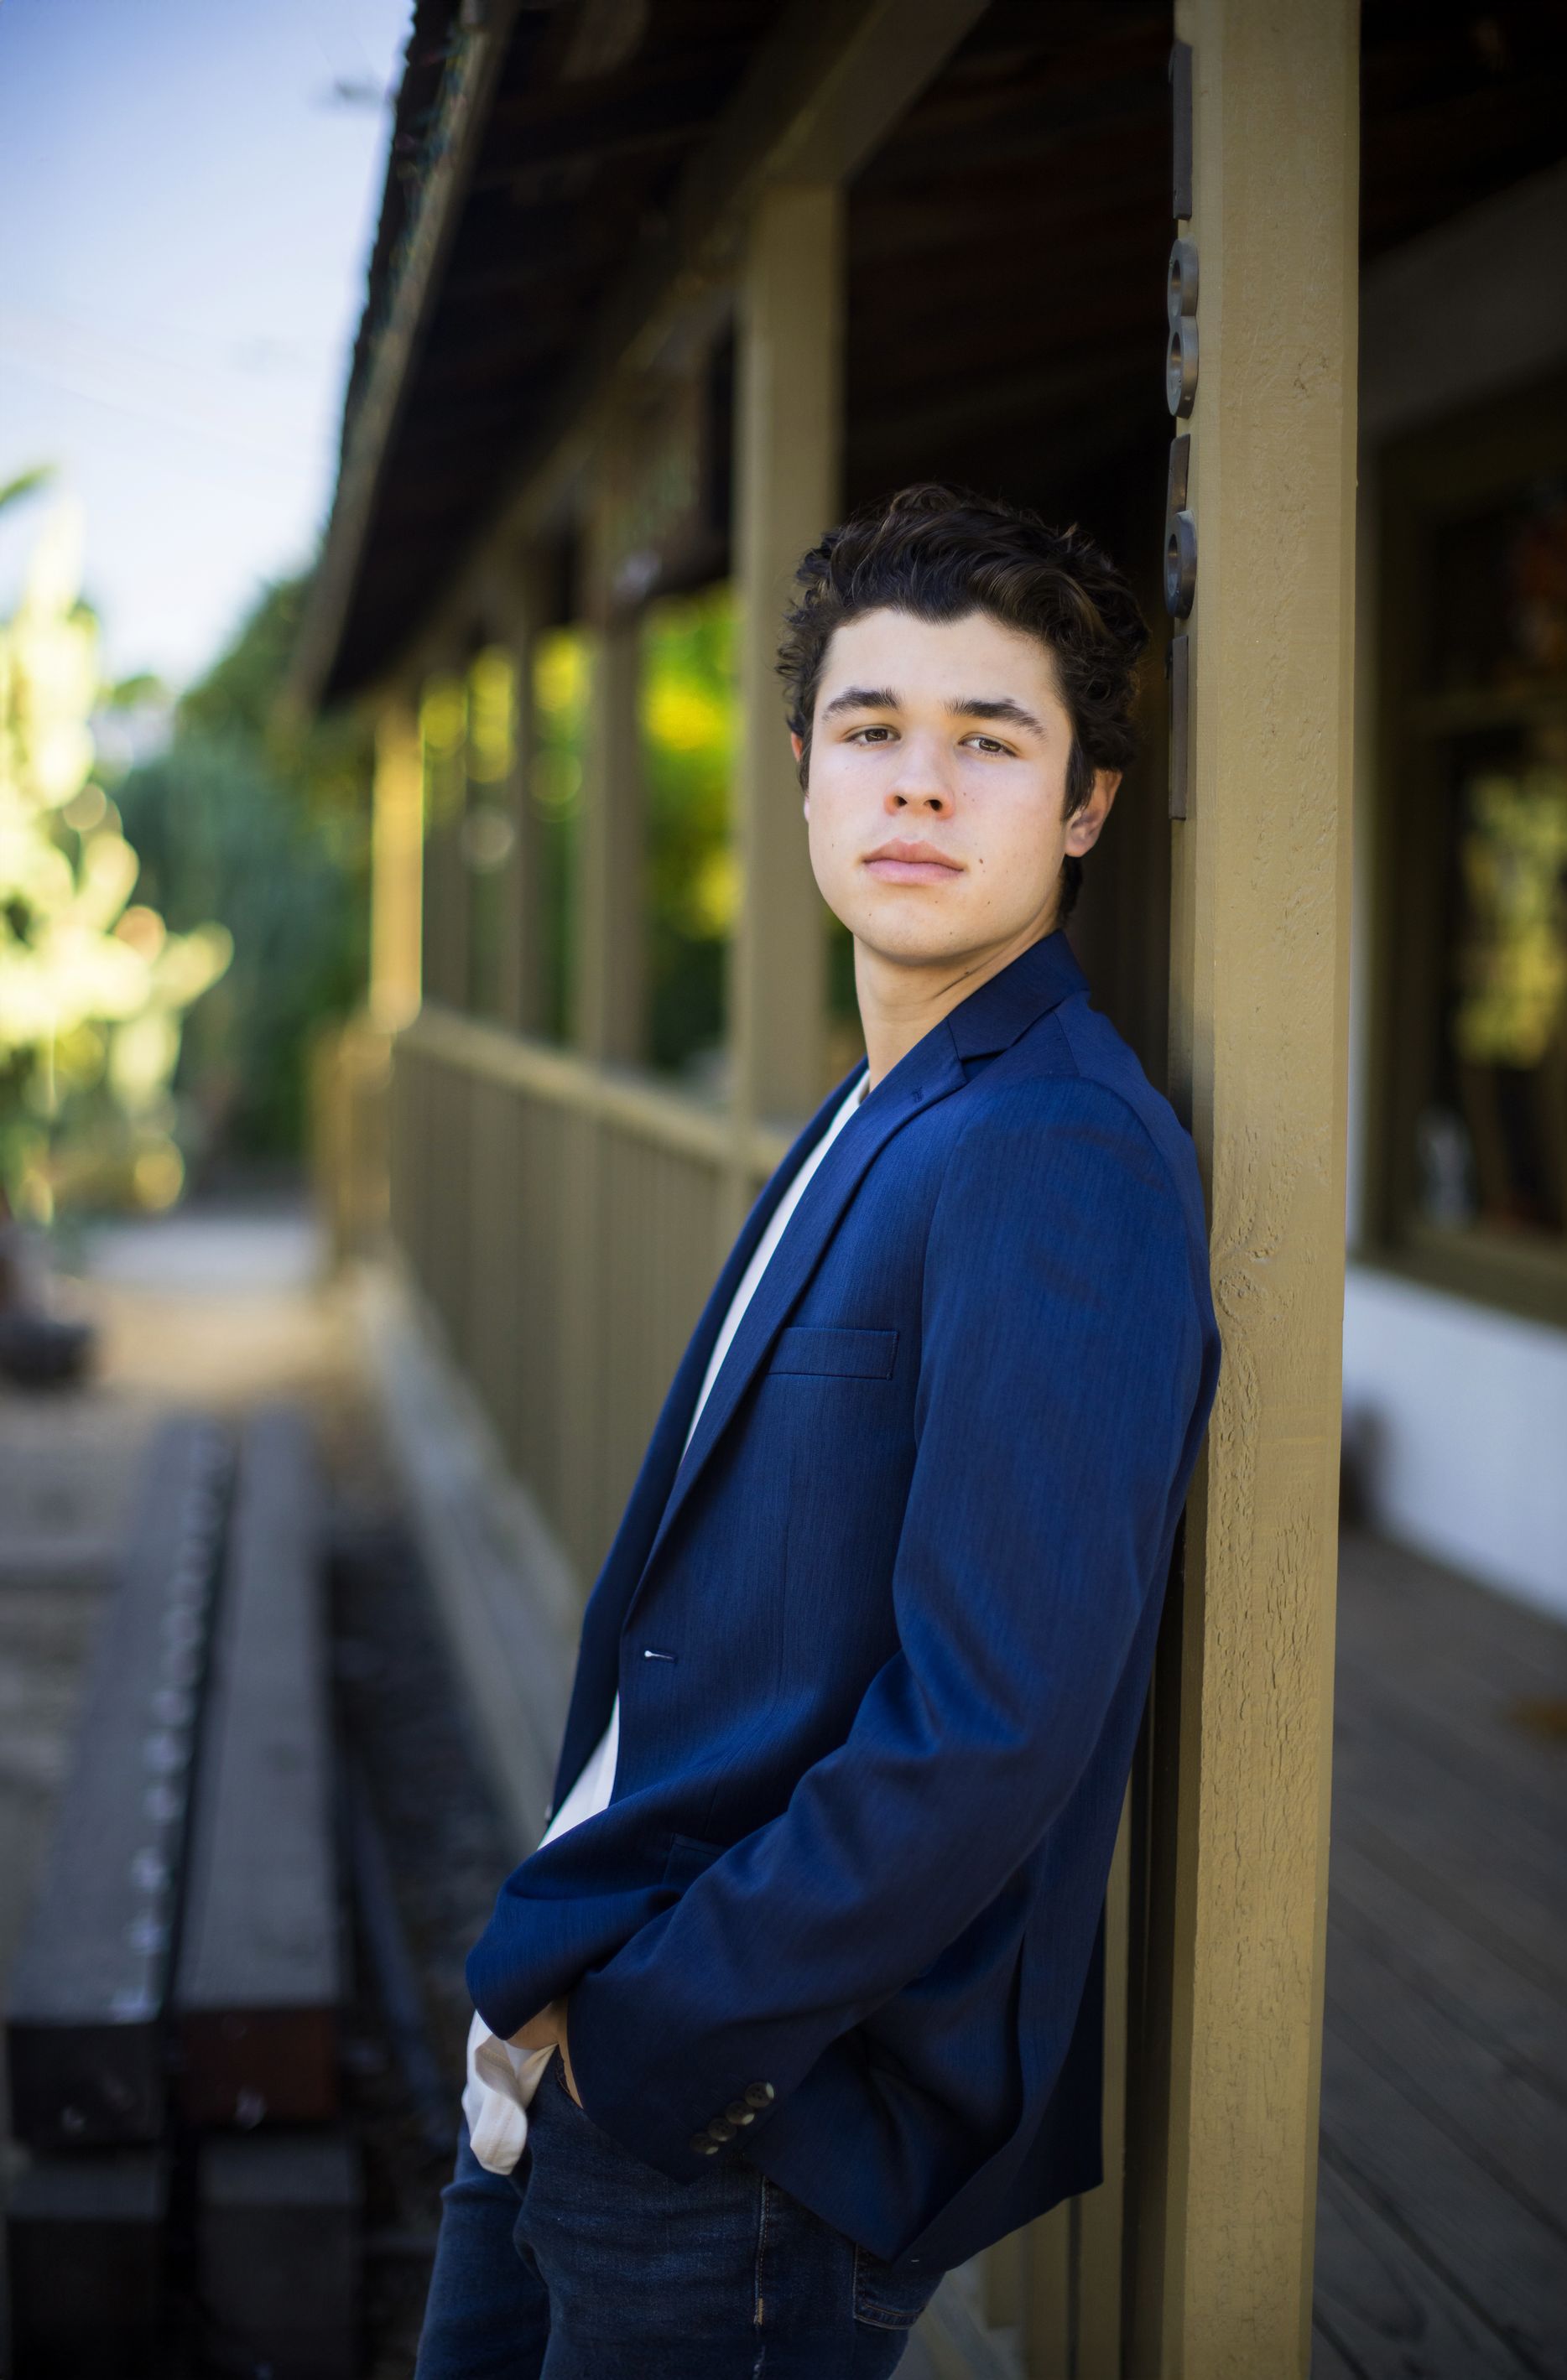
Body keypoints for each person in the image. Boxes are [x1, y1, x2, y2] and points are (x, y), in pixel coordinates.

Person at [414, 484, 1220, 2378]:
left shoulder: (1060, 1151)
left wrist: (650, 2044)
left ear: (1086, 804)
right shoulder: (892, 1097)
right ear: (801, 774)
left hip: (748, 2120)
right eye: (872, 732)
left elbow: (988, 1723)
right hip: (596, 2027)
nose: (918, 787)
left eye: (990, 741)